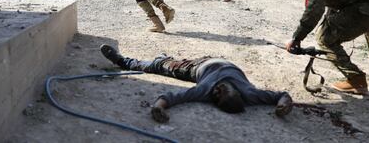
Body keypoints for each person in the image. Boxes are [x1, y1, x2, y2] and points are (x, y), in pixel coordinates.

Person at [100, 44, 293, 123]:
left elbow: (175, 97)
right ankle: (164, 58)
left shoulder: (204, 91)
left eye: (216, 97)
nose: (217, 91)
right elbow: (280, 95)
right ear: (237, 93)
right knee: (166, 62)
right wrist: (284, 105)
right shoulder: (250, 94)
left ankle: (124, 61)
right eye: (223, 92)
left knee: (160, 65)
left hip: (193, 68)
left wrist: (158, 107)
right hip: (213, 59)